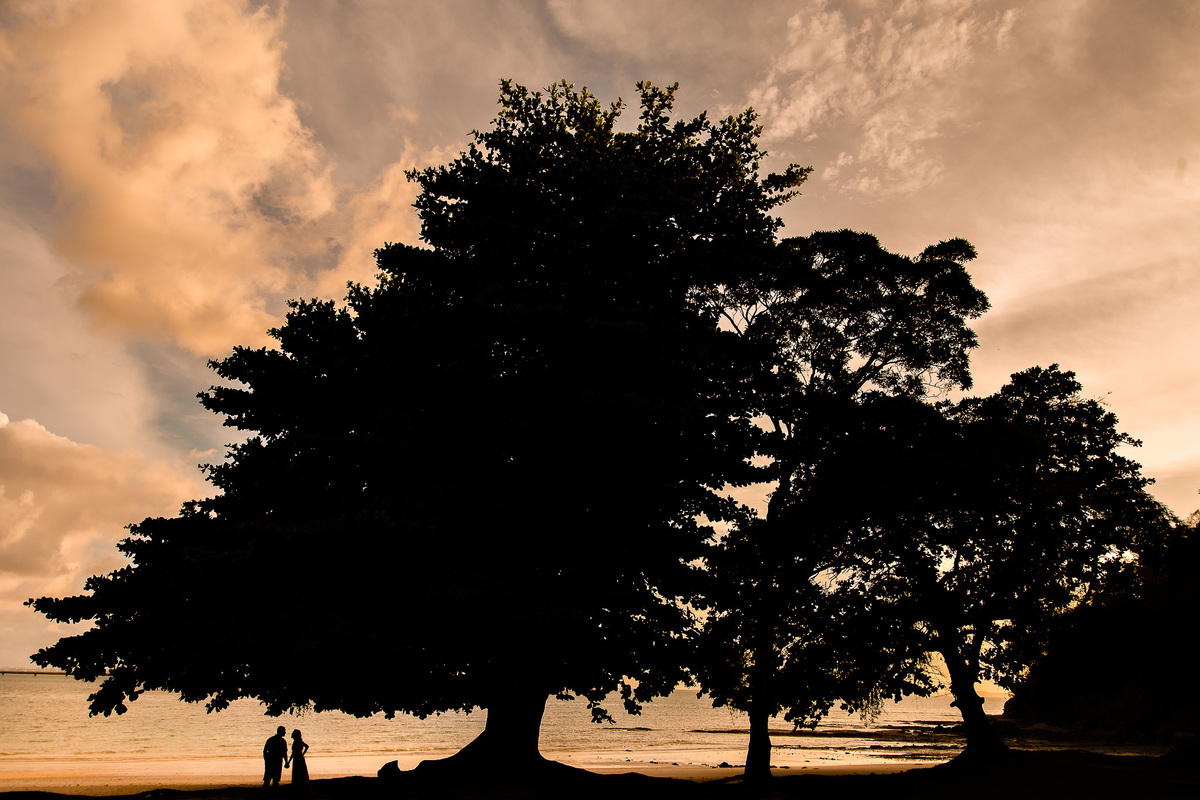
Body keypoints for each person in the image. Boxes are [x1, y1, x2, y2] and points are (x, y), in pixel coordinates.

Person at [287, 728, 311, 795]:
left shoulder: (298, 741)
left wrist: (302, 753)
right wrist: (302, 753)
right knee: (300, 772)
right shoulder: (298, 741)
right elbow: (306, 746)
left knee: (298, 772)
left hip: (298, 758)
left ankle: (298, 788)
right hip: (299, 757)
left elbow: (306, 746)